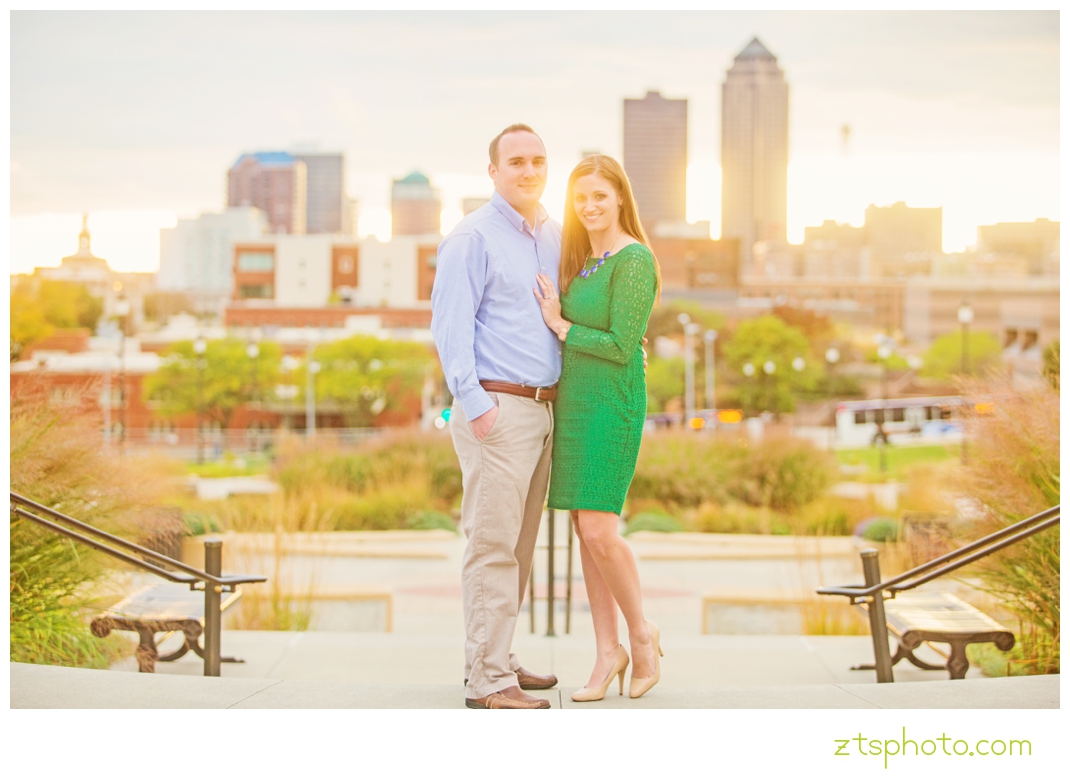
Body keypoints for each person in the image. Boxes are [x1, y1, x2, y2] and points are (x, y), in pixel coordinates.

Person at [430, 124, 562, 710]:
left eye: (537, 160)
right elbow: (449, 327)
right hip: (498, 408)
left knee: (519, 546)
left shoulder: (551, 235)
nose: (528, 170)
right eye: (515, 162)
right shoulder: (472, 238)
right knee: (491, 546)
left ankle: (500, 657)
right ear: (493, 171)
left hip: (541, 410)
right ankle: (486, 681)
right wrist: (476, 406)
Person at [532, 154, 663, 701]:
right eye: (580, 198)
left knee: (601, 531)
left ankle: (643, 635)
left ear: (619, 199)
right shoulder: (587, 259)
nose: (589, 207)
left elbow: (619, 344)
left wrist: (560, 325)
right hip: (576, 406)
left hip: (612, 405)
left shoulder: (633, 259)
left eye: (599, 197)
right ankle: (607, 653)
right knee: (586, 534)